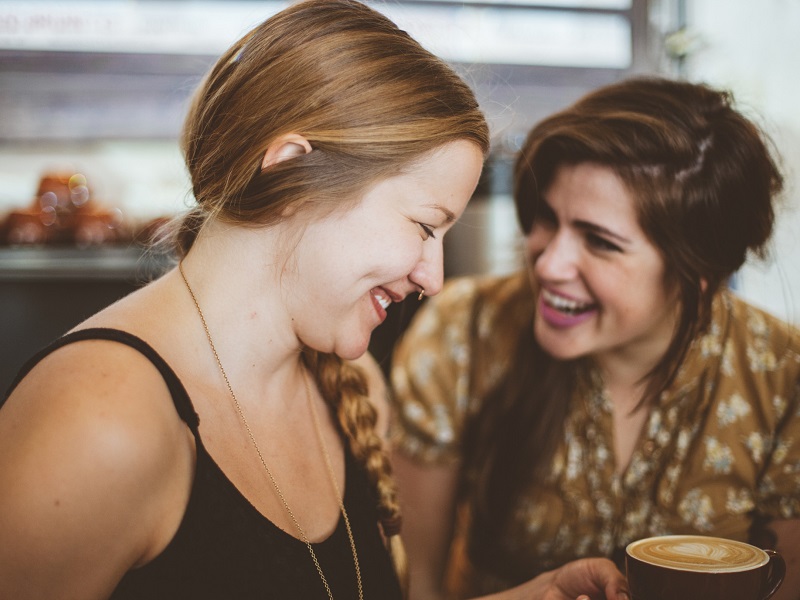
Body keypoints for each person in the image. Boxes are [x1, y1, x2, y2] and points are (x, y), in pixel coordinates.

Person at [0, 1, 628, 599]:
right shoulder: (99, 421)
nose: (433, 278)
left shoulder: (354, 386)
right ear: (291, 172)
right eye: (422, 226)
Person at [390, 76, 800, 600]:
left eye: (600, 242)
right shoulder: (465, 332)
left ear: (698, 271)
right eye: (546, 218)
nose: (549, 262)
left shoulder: (781, 376)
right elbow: (413, 583)